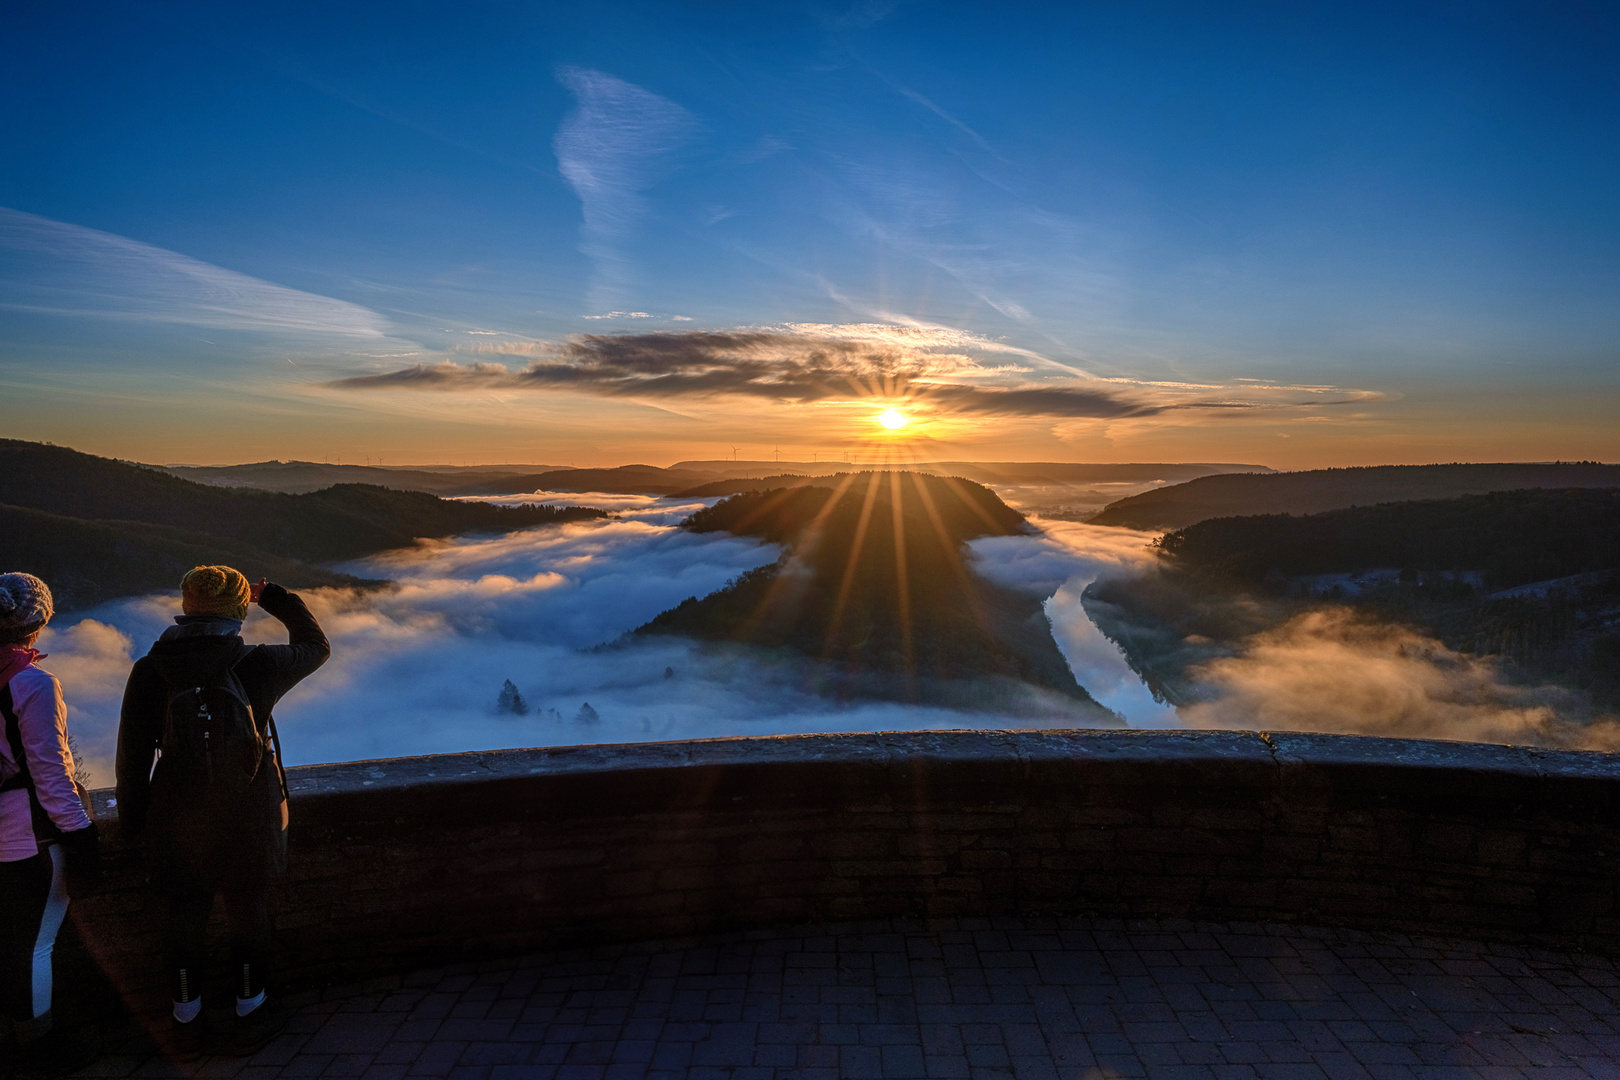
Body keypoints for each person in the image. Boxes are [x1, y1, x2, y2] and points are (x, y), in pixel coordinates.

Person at [116, 567, 328, 1058]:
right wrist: (273, 597)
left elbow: (132, 757)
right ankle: (250, 1014)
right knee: (247, 908)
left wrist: (133, 826)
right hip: (247, 807)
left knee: (184, 915)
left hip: (176, 811)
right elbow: (317, 646)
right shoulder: (257, 664)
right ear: (237, 611)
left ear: (186, 607)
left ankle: (185, 1021)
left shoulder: (150, 670)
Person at [0, 573, 101, 1078]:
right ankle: (38, 1045)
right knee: (34, 945)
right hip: (24, 836)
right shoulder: (31, 684)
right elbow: (51, 772)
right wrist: (82, 837)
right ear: (37, 624)